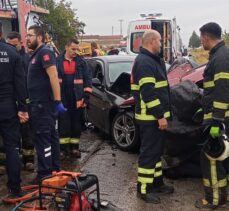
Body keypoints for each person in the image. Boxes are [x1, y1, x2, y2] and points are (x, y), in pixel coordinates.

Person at [131, 29, 174, 203]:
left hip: (154, 117)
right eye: (159, 40)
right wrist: (160, 116)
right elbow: (149, 94)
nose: (161, 43)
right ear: (151, 41)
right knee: (149, 154)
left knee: (156, 153)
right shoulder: (144, 62)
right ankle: (143, 188)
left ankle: (157, 183)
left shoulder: (153, 60)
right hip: (150, 118)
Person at [195, 22, 229, 209]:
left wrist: (216, 120)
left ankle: (215, 200)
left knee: (211, 159)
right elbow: (214, 90)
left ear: (206, 37)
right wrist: (204, 107)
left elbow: (223, 91)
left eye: (201, 39)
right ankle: (224, 196)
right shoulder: (220, 55)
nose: (201, 42)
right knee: (223, 158)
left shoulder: (221, 58)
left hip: (220, 118)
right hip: (220, 115)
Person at [26, 25, 66, 183]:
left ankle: (44, 173)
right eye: (27, 35)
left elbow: (54, 76)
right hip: (41, 105)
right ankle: (54, 168)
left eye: (30, 35)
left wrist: (57, 101)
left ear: (40, 38)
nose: (27, 38)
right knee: (51, 137)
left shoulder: (44, 52)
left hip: (43, 106)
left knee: (43, 139)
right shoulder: (36, 54)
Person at [0, 22, 29, 198]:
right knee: (12, 147)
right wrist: (23, 109)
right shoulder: (12, 53)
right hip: (8, 108)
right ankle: (15, 189)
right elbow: (20, 84)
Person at [56, 38, 92, 158]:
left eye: (77, 49)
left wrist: (86, 97)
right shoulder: (57, 61)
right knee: (63, 124)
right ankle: (63, 150)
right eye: (73, 49)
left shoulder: (82, 62)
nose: (75, 51)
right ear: (66, 47)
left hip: (77, 98)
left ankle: (74, 148)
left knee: (76, 124)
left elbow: (88, 80)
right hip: (63, 97)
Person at [6, 31, 34, 171]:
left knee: (27, 131)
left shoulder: (27, 59)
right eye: (8, 45)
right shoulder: (6, 58)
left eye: (14, 45)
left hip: (25, 100)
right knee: (7, 132)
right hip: (9, 101)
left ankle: (28, 159)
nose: (11, 48)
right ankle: (7, 161)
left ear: (20, 43)